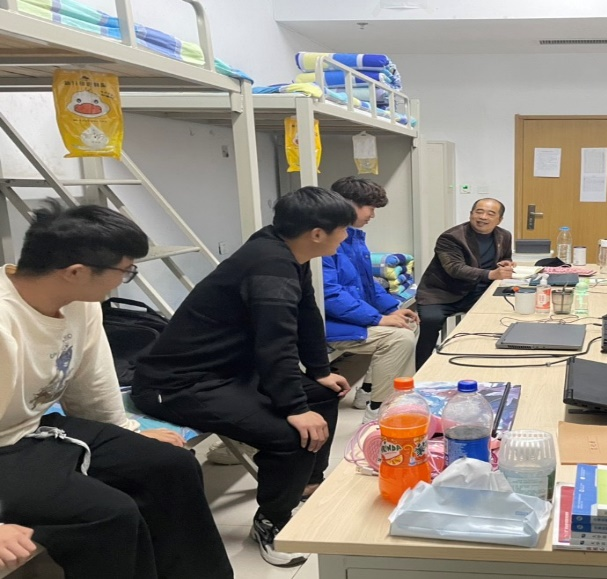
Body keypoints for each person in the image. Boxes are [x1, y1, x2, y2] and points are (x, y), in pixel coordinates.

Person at [0, 201, 232, 578]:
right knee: (110, 514)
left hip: (35, 430)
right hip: (5, 450)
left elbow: (92, 387)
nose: (125, 280)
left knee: (171, 466)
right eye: (125, 271)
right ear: (75, 272)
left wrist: (126, 433)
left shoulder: (80, 303)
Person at [132, 187, 353, 568]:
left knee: (323, 394)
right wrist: (294, 408)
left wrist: (319, 371)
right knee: (291, 435)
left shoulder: (285, 249)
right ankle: (272, 523)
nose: (346, 236)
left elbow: (306, 314)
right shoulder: (270, 265)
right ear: (317, 233)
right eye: (343, 229)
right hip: (178, 384)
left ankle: (306, 485)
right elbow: (275, 343)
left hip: (230, 372)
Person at [324, 176, 418, 423]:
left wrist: (392, 308)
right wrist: (378, 319)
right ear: (347, 204)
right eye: (370, 208)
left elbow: (368, 284)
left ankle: (368, 391)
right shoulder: (325, 242)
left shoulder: (353, 239)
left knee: (407, 323)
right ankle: (378, 412)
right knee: (399, 338)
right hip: (326, 322)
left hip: (347, 317)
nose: (373, 215)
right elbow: (330, 295)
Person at [414, 198, 514, 368]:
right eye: (479, 212)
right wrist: (491, 274)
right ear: (471, 214)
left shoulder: (504, 235)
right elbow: (455, 268)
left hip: (477, 291)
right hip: (441, 293)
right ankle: (421, 369)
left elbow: (505, 256)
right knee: (430, 322)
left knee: (499, 314)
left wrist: (506, 263)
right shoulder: (451, 237)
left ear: (499, 219)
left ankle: (482, 360)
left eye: (490, 214)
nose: (483, 217)